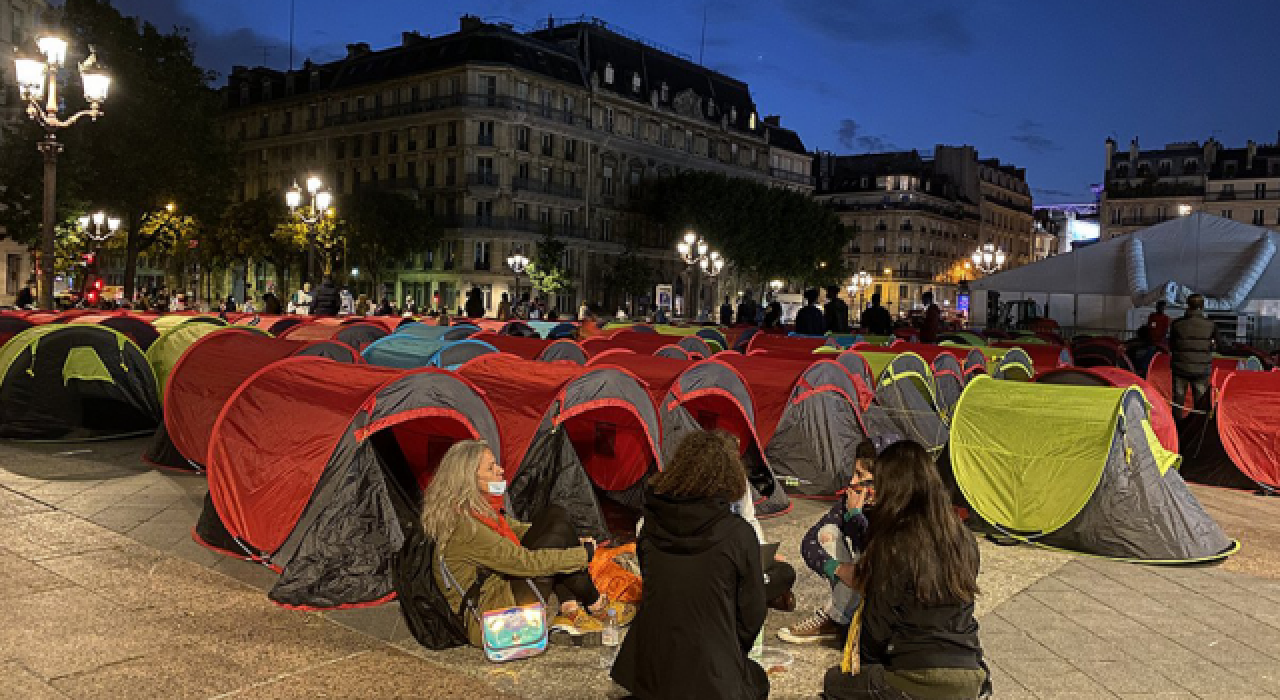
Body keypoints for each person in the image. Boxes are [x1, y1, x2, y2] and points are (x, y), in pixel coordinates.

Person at [418, 440, 631, 647]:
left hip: (501, 593)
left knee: (556, 517)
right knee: (554, 532)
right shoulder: (467, 529)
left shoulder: (475, 510)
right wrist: (581, 555)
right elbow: (524, 562)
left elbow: (520, 530)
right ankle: (593, 605)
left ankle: (571, 609)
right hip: (492, 621)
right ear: (469, 480)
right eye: (491, 468)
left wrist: (569, 541)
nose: (501, 471)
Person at [823, 440, 987, 700]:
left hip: (916, 676)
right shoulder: (964, 538)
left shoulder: (894, 542)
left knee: (834, 682)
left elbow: (877, 627)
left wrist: (865, 668)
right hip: (969, 673)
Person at [612, 431, 770, 700]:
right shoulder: (738, 534)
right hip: (713, 673)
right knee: (757, 681)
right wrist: (729, 649)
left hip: (653, 671)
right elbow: (752, 615)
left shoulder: (647, 529)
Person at [779, 440, 878, 645]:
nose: (852, 481)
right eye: (854, 472)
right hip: (860, 579)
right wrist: (838, 568)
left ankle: (838, 616)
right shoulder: (849, 500)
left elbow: (878, 548)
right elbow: (809, 542)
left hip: (883, 587)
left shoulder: (897, 510)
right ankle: (838, 617)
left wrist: (856, 516)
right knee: (827, 533)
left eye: (860, 475)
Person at [1169, 293, 1223, 418]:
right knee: (1200, 402)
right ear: (1203, 306)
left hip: (1180, 367)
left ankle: (1176, 430)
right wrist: (1211, 346)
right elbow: (1221, 346)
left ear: (1187, 305)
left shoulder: (1177, 324)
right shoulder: (1211, 325)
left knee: (1178, 401)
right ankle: (1198, 429)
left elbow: (1171, 345)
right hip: (1201, 369)